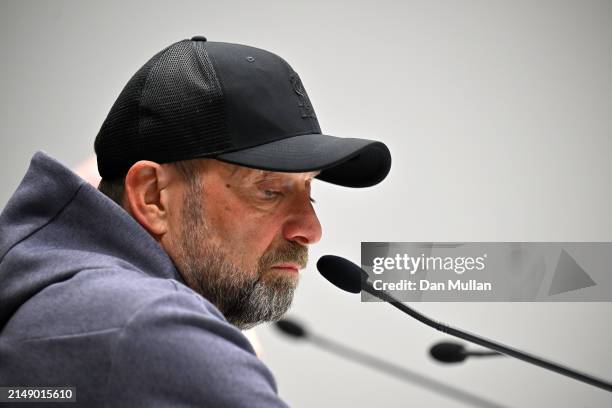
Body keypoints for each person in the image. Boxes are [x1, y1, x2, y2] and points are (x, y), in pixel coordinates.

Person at [0, 36, 391, 407]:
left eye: (310, 192)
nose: (311, 230)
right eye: (270, 191)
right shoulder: (149, 326)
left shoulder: (72, 301)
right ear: (153, 196)